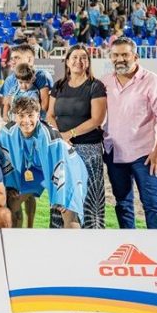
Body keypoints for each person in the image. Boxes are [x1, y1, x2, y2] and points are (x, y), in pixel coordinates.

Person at [102, 37, 157, 229]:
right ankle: (130, 244)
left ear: (135, 56)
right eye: (115, 55)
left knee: (151, 203)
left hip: (144, 155)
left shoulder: (153, 81)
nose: (120, 59)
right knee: (123, 204)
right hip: (114, 153)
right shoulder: (105, 82)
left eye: (125, 54)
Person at [0, 96, 88, 229]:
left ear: (38, 115)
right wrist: (8, 186)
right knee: (10, 202)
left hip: (67, 166)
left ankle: (72, 247)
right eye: (21, 115)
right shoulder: (6, 133)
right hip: (36, 168)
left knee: (68, 210)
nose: (26, 120)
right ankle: (14, 243)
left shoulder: (51, 138)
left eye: (30, 115)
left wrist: (59, 197)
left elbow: (61, 167)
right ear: (15, 116)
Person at [46, 44, 107, 229]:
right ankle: (59, 233)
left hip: (88, 148)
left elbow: (97, 119)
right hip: (62, 148)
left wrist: (69, 134)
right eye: (74, 57)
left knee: (89, 195)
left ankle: (92, 233)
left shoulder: (95, 86)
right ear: (67, 61)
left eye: (83, 58)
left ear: (88, 62)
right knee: (62, 192)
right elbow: (49, 114)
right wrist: (59, 136)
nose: (78, 61)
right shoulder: (59, 85)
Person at [0, 44, 53, 122]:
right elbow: (5, 104)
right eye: (12, 58)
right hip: (16, 122)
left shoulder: (42, 75)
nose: (13, 61)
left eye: (17, 58)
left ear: (29, 59)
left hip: (37, 123)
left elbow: (44, 106)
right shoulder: (9, 79)